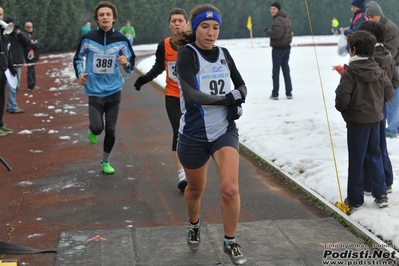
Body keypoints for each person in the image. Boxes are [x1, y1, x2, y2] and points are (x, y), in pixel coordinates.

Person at [175, 4, 247, 265]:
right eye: (205, 26)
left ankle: (230, 241)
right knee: (195, 190)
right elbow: (192, 96)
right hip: (193, 134)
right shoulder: (187, 55)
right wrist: (226, 99)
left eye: (215, 27)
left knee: (230, 189)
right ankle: (194, 224)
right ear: (194, 29)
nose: (210, 32)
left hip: (224, 132)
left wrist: (238, 96)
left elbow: (241, 85)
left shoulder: (224, 54)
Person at [73, 1, 136, 175]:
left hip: (114, 89)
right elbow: (78, 58)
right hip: (94, 89)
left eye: (108, 14)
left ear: (114, 18)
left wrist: (126, 63)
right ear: (97, 19)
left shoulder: (121, 40)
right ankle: (93, 129)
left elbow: (131, 64)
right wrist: (79, 74)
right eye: (101, 15)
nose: (105, 17)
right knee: (97, 128)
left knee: (110, 129)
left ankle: (105, 161)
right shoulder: (88, 39)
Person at [335, 30, 393, 212]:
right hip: (375, 121)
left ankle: (355, 198)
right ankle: (381, 193)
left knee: (357, 160)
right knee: (374, 156)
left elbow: (342, 98)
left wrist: (345, 109)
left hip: (357, 124)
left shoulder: (350, 73)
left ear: (353, 50)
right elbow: (389, 92)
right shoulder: (378, 69)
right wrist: (377, 105)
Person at [134, 8, 189, 192]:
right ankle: (182, 172)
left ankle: (193, 169)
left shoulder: (194, 43)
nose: (177, 24)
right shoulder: (164, 45)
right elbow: (159, 66)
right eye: (173, 21)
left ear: (186, 23)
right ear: (169, 24)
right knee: (178, 131)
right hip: (173, 95)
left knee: (192, 133)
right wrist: (144, 78)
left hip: (192, 98)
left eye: (180, 20)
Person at [358, 21, 399, 197]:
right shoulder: (388, 57)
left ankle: (371, 185)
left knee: (370, 147)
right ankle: (387, 181)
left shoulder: (369, 59)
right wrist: (385, 98)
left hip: (369, 109)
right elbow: (395, 81)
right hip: (380, 105)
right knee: (380, 145)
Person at [365, 1, 399, 139]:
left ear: (379, 15)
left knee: (393, 98)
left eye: (372, 17)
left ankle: (391, 130)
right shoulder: (374, 27)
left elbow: (391, 50)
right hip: (382, 65)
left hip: (394, 65)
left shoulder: (390, 27)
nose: (370, 20)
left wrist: (376, 62)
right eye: (369, 17)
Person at [264, 2, 293, 100]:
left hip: (278, 49)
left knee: (276, 72)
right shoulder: (286, 19)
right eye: (271, 9)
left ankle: (275, 93)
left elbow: (277, 34)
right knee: (286, 71)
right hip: (287, 48)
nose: (272, 11)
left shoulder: (277, 20)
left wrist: (268, 30)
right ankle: (289, 92)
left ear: (278, 10)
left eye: (274, 9)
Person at [5, 16, 30, 113]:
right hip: (9, 64)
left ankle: (10, 104)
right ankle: (12, 106)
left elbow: (28, 43)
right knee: (11, 86)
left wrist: (19, 33)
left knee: (16, 86)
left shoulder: (19, 35)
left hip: (18, 63)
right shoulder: (5, 35)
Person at [0, 7, 16, 136]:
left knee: (1, 98)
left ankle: (0, 124)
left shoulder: (4, 31)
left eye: (1, 14)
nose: (0, 16)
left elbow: (6, 50)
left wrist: (9, 66)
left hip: (3, 68)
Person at [20, 21, 41, 91]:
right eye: (28, 27)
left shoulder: (31, 35)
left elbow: (38, 45)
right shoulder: (24, 35)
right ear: (25, 28)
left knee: (32, 69)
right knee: (30, 70)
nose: (30, 28)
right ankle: (31, 86)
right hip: (28, 55)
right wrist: (34, 44)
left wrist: (35, 44)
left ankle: (33, 84)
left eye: (31, 27)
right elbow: (29, 44)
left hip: (32, 55)